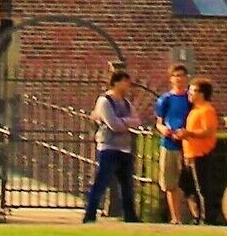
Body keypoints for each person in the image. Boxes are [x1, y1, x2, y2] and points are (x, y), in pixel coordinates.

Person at [84, 67, 140, 223]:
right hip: (108, 146)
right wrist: (126, 122)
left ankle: (130, 215)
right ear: (116, 82)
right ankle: (90, 213)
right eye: (125, 82)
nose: (128, 85)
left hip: (124, 147)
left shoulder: (126, 103)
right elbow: (113, 124)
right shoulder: (105, 101)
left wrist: (125, 122)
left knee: (127, 184)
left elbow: (137, 121)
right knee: (102, 181)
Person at [183, 76, 227, 226]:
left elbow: (208, 131)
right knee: (188, 186)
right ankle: (197, 215)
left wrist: (188, 134)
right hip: (190, 153)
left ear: (202, 93)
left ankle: (207, 217)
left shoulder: (206, 110)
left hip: (201, 154)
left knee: (202, 187)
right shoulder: (194, 111)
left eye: (193, 91)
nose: (190, 94)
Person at [153, 64, 196, 224]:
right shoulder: (165, 99)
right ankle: (175, 217)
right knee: (170, 183)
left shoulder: (190, 99)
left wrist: (186, 132)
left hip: (186, 144)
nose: (179, 79)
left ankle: (196, 216)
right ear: (171, 79)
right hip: (169, 143)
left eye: (182, 76)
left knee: (189, 183)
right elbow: (159, 122)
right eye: (176, 75)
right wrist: (163, 129)